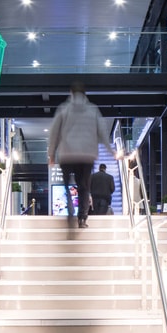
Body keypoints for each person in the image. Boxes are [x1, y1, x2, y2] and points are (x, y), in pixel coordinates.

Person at [47, 82, 116, 227]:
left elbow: (54, 132)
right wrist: (111, 151)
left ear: (71, 93)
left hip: (67, 154)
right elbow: (102, 132)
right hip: (86, 155)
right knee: (84, 187)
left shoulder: (63, 109)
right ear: (85, 94)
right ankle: (82, 218)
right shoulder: (93, 110)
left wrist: (51, 153)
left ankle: (70, 210)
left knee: (66, 185)